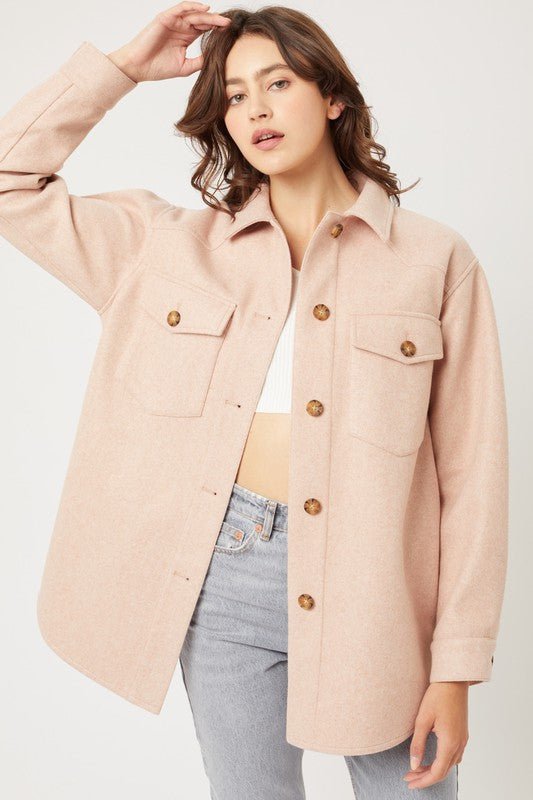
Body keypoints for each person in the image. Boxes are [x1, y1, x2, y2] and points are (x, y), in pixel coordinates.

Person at [0, 4, 508, 798]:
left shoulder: (434, 261)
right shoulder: (162, 248)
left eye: (277, 83)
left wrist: (456, 668)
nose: (255, 110)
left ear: (332, 96)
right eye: (234, 95)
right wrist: (122, 69)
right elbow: (9, 181)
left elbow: (474, 479)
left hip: (376, 591)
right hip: (221, 582)